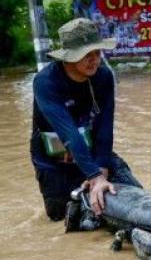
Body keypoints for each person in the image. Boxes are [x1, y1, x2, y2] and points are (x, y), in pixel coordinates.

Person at [30, 18, 141, 222]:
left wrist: (102, 169)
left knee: (136, 197)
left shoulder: (104, 77)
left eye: (97, 53)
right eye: (86, 55)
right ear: (68, 58)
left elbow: (105, 126)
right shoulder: (46, 83)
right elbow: (69, 134)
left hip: (91, 150)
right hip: (53, 159)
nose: (95, 60)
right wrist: (95, 176)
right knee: (62, 218)